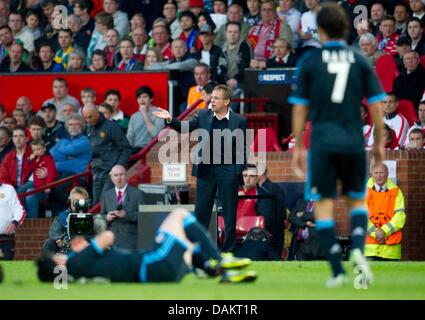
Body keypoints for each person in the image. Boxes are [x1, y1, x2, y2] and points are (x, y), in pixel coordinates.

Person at [289, 3, 386, 287]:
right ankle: (357, 250)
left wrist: (297, 145)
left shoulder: (310, 61)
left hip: (322, 142)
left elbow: (298, 107)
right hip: (354, 141)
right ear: (346, 28)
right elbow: (377, 105)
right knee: (357, 199)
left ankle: (336, 269)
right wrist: (379, 141)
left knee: (323, 205)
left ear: (319, 30)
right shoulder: (359, 58)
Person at [36, 207, 257, 284]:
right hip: (154, 265)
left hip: (154, 270)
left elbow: (60, 283)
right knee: (178, 216)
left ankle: (218, 271)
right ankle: (220, 259)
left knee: (187, 245)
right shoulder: (75, 263)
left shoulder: (73, 275)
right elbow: (107, 238)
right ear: (56, 262)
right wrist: (87, 244)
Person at [153, 84, 247, 252]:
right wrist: (169, 119)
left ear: (226, 101)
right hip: (206, 170)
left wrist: (236, 171)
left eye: (216, 98)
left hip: (228, 171)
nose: (212, 101)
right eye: (212, 98)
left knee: (229, 213)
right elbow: (184, 128)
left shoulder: (239, 121)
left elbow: (242, 148)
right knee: (201, 212)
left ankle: (229, 250)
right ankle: (199, 250)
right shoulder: (203, 115)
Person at [82, 103, 133, 204]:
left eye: (90, 117)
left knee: (104, 203)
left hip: (111, 172)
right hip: (97, 172)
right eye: (85, 118)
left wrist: (118, 167)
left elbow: (126, 148)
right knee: (95, 204)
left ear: (97, 113)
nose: (88, 120)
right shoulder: (88, 127)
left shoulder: (112, 127)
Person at [365, 163, 406, 261]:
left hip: (391, 251)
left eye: (381, 173)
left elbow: (400, 216)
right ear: (371, 174)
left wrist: (384, 231)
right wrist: (377, 233)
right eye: (376, 173)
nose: (379, 176)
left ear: (387, 174)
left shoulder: (396, 192)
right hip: (369, 249)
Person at [100, 165, 145, 250]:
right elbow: (102, 215)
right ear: (111, 178)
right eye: (115, 175)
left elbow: (145, 218)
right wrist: (107, 217)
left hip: (131, 243)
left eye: (121, 175)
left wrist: (126, 214)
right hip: (112, 243)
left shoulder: (138, 194)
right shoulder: (107, 195)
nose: (119, 178)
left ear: (126, 176)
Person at [42, 186, 91, 253]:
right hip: (65, 247)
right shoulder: (61, 217)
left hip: (85, 247)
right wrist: (58, 239)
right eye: (75, 201)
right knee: (49, 242)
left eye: (80, 202)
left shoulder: (91, 218)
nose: (77, 204)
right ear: (69, 202)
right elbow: (54, 233)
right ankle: (47, 263)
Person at [126, 86, 165, 154]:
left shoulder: (159, 113)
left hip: (153, 149)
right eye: (139, 97)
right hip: (137, 149)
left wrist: (144, 114)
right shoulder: (134, 117)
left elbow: (156, 134)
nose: (142, 100)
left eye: (145, 97)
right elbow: (130, 137)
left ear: (151, 99)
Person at [0, 182, 26, 260]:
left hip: (6, 239)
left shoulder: (9, 189)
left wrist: (14, 223)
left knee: (6, 269)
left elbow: (20, 210)